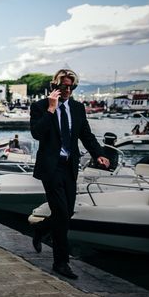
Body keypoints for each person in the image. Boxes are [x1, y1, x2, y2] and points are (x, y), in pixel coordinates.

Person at [30, 69, 109, 279]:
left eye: (71, 87)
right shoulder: (39, 106)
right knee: (63, 215)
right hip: (51, 167)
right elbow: (37, 133)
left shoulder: (77, 107)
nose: (67, 90)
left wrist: (99, 154)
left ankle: (40, 229)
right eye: (63, 86)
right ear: (54, 85)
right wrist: (51, 109)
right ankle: (61, 262)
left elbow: (86, 135)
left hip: (69, 166)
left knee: (67, 212)